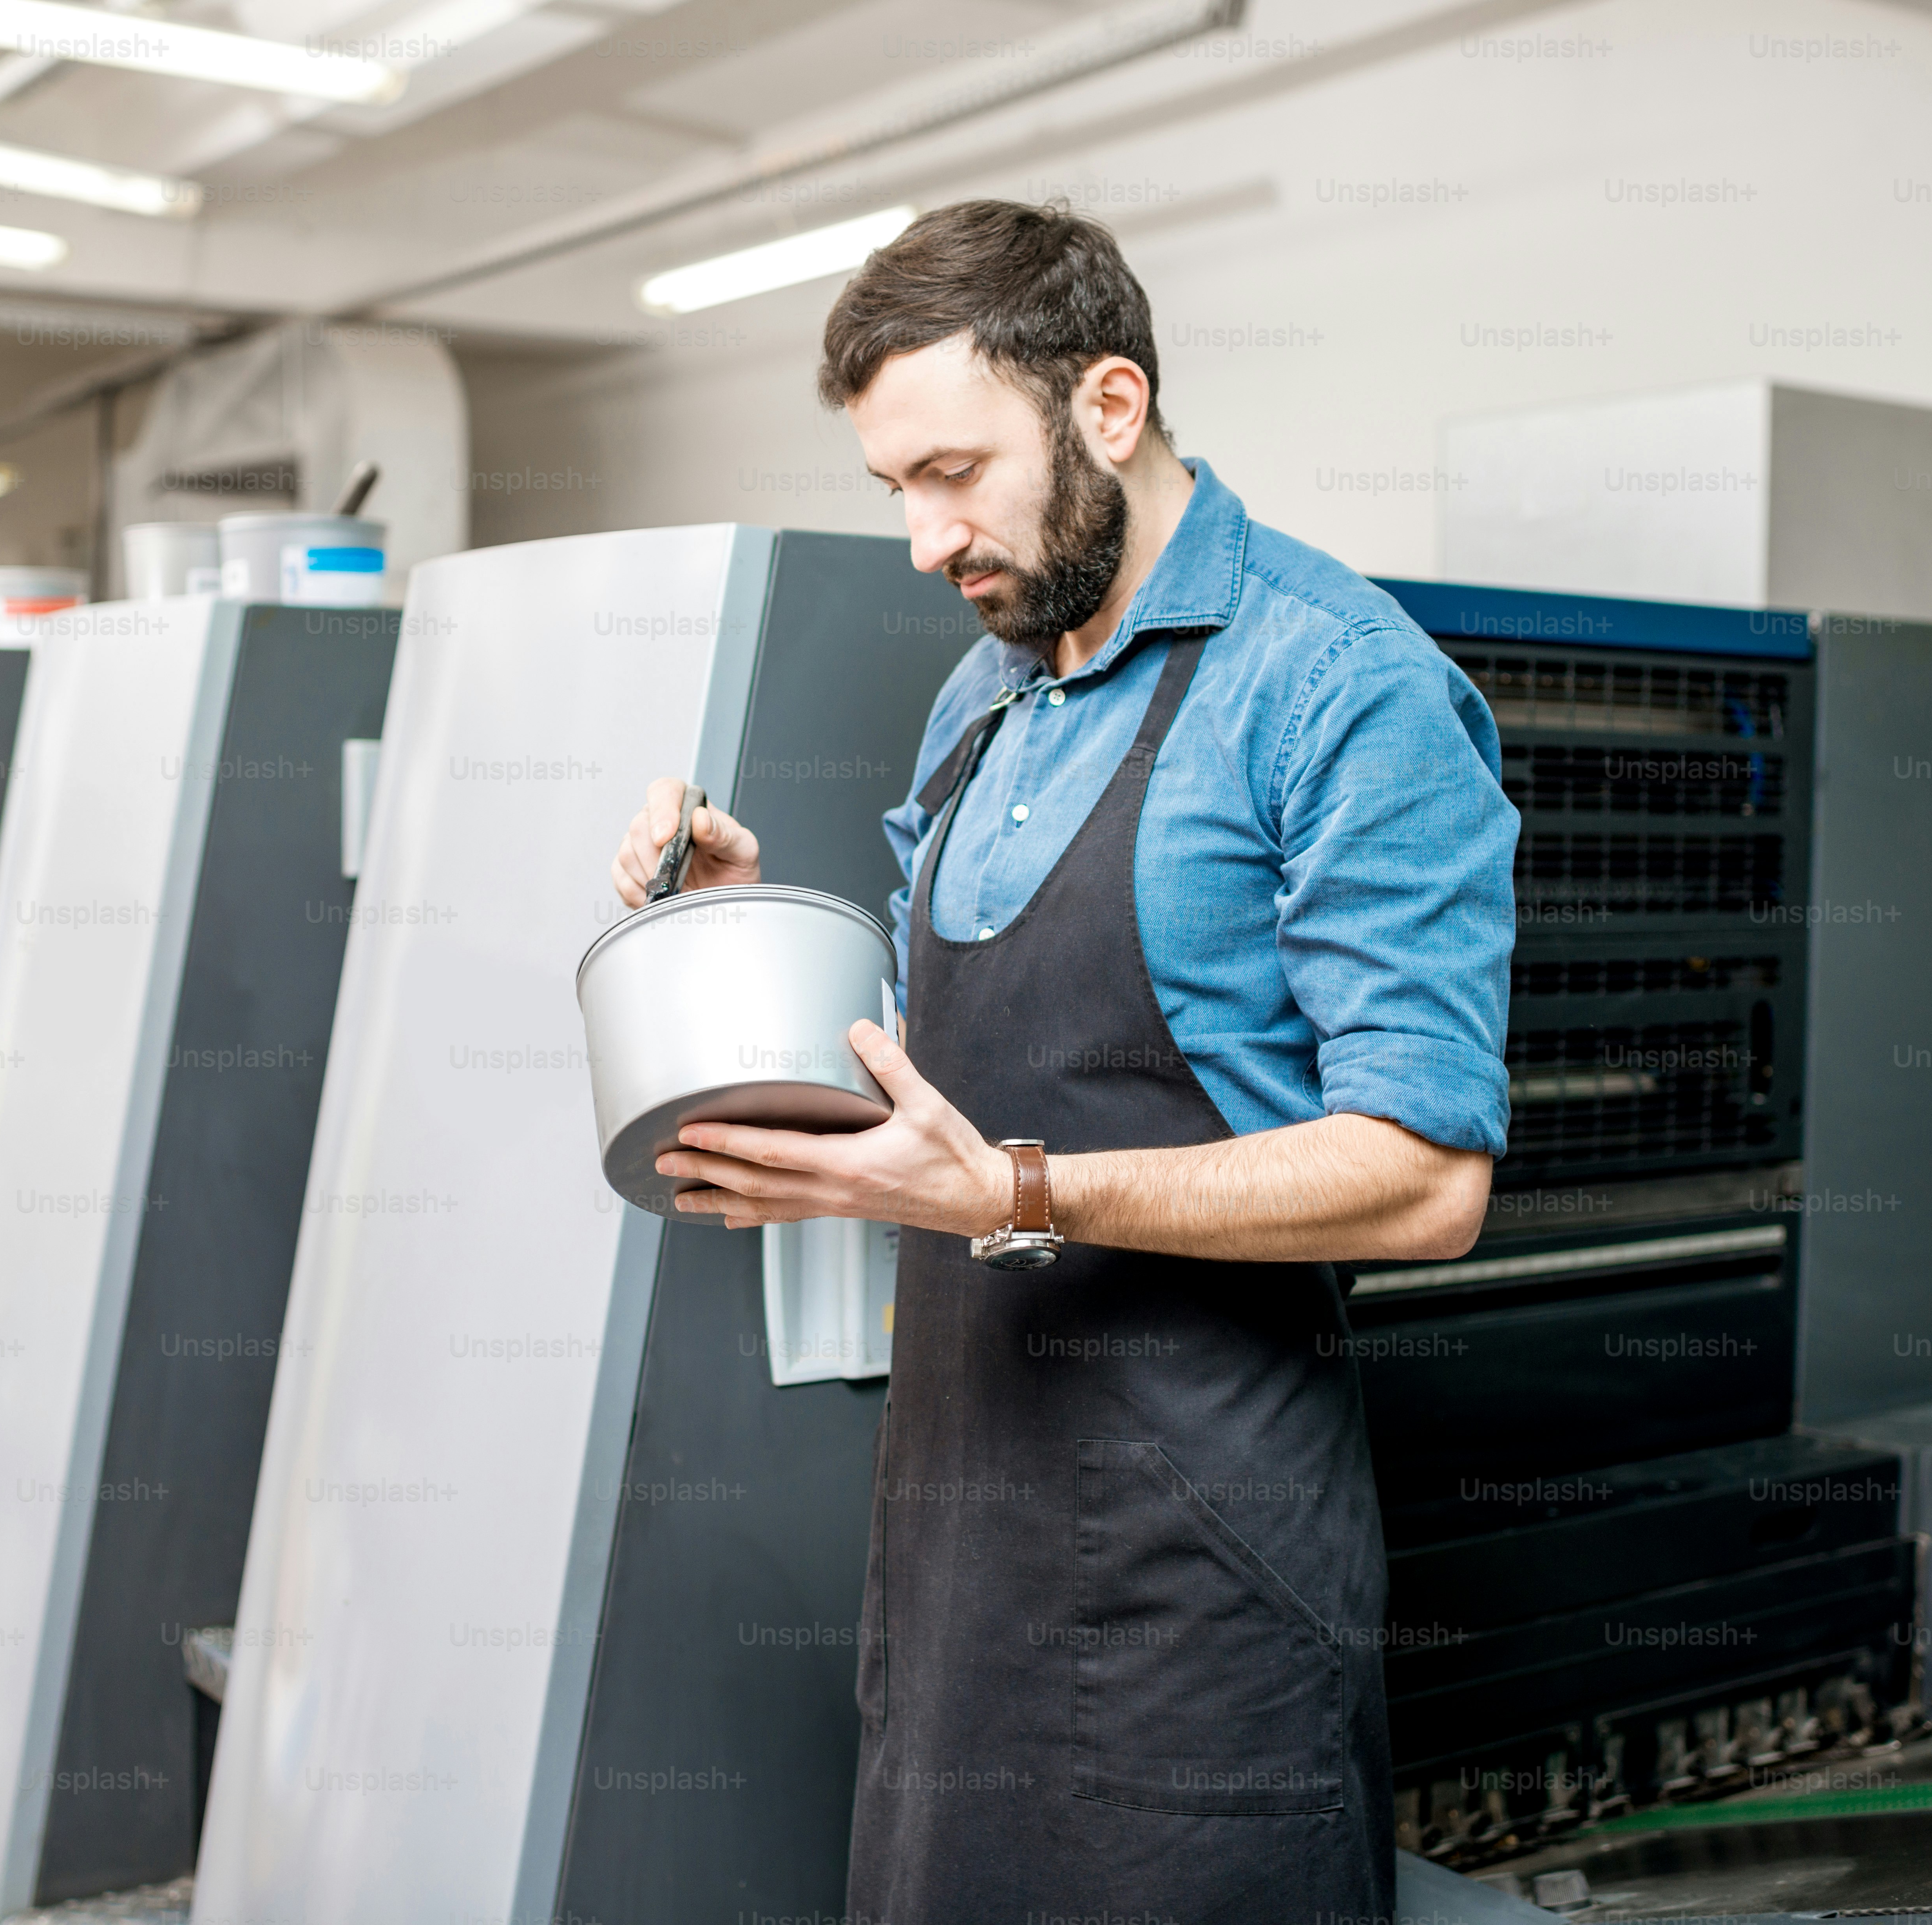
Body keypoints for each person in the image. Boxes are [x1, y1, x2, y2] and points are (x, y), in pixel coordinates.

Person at [608, 200, 1516, 1921]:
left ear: (1108, 406)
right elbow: (946, 1054)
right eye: (893, 488)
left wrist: (1016, 1194)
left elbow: (1424, 1174)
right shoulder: (985, 693)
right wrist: (754, 933)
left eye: (953, 471)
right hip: (961, 1536)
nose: (919, 537)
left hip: (1201, 1575)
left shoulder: (1340, 690)